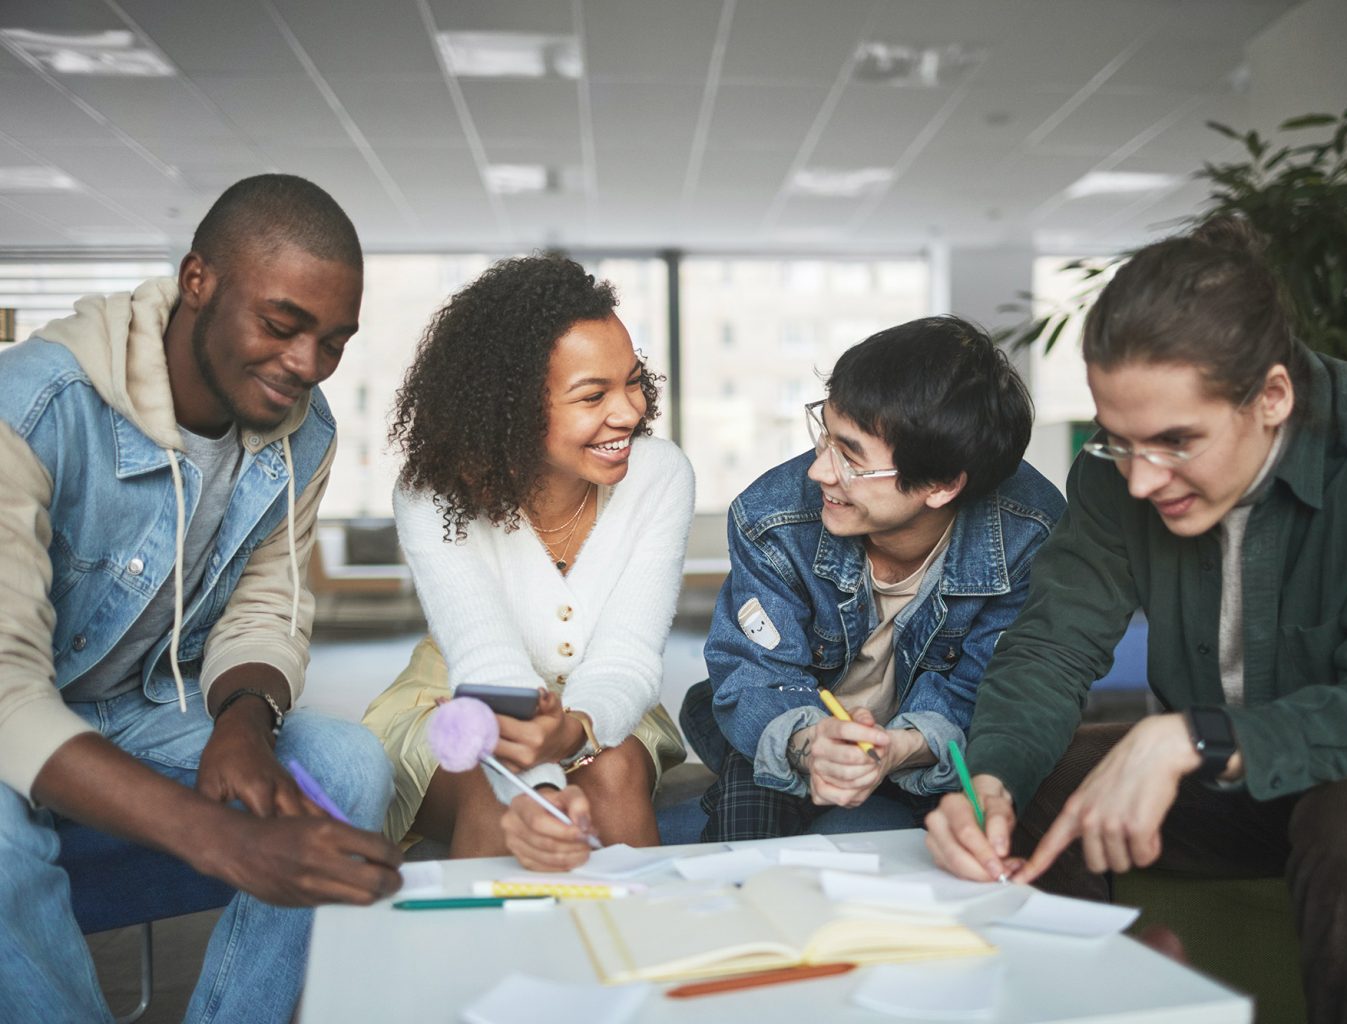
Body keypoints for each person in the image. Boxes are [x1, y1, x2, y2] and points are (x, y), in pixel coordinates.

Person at [926, 217, 1347, 1024]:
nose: (1142, 479)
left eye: (1177, 442)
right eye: (1119, 440)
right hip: (1251, 784)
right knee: (1048, 777)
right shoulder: (1118, 474)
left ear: (1273, 396)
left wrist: (1188, 737)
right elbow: (1049, 647)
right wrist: (992, 780)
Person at [0, 174, 402, 1024]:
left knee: (347, 765)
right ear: (198, 282)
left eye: (333, 341)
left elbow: (268, 605)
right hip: (15, 707)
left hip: (134, 707)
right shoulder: (35, 407)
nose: (306, 365)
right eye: (282, 325)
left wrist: (243, 721)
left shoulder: (306, 431)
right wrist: (224, 839)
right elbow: (7, 693)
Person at [363, 255, 692, 870]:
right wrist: (539, 786)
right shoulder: (432, 494)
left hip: (608, 697)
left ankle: (648, 956)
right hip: (460, 700)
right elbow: (488, 658)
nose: (629, 412)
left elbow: (626, 653)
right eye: (592, 394)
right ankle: (487, 966)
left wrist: (579, 729)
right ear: (509, 406)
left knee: (614, 769)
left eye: (633, 380)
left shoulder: (660, 475)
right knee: (499, 795)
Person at [681, 316, 1065, 841]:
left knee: (979, 820)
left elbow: (990, 693)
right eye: (826, 437)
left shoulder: (1028, 531)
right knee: (747, 791)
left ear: (941, 485)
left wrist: (899, 749)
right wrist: (814, 743)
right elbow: (755, 675)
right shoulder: (771, 515)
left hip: (929, 735)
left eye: (852, 458)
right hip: (799, 711)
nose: (819, 471)